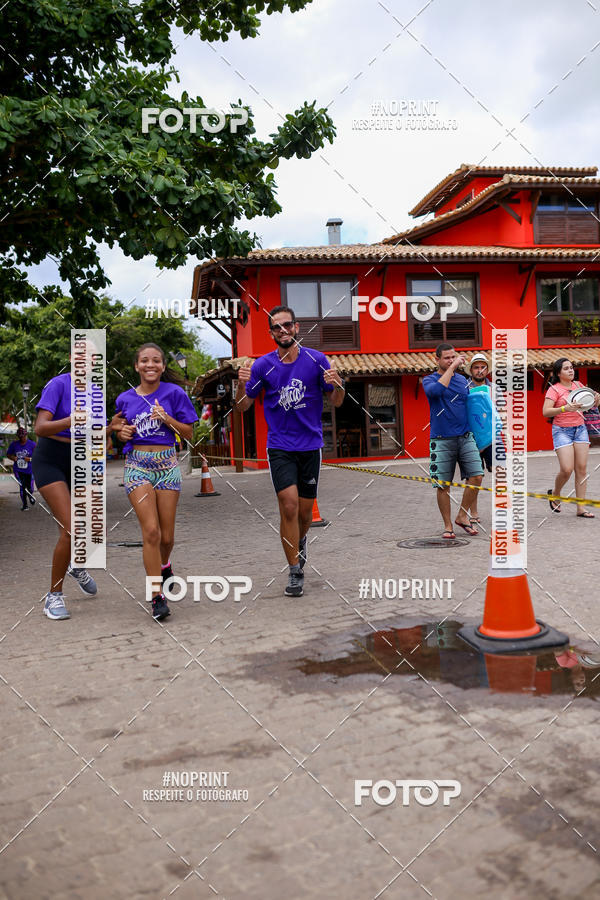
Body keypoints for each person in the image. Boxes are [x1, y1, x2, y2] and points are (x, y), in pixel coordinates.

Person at [235, 306, 345, 597]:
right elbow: (243, 406)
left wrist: (338, 385)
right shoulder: (262, 366)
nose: (282, 331)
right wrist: (241, 385)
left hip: (310, 446)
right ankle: (295, 570)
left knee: (305, 514)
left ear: (296, 327)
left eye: (287, 325)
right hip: (280, 446)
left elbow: (337, 401)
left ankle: (301, 539)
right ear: (271, 333)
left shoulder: (316, 360)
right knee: (289, 506)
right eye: (276, 327)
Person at [112, 343, 198, 621]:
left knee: (167, 537)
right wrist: (121, 434)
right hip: (137, 466)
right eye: (145, 360)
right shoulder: (125, 399)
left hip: (167, 466)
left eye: (156, 360)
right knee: (151, 532)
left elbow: (189, 433)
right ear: (136, 366)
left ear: (162, 366)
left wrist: (167, 418)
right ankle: (156, 595)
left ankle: (165, 564)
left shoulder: (174, 394)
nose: (150, 365)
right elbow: (118, 429)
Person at [32, 364, 109, 620]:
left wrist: (112, 429)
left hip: (80, 460)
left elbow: (98, 432)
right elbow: (40, 428)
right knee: (71, 529)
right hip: (50, 459)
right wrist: (70, 420)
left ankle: (76, 565)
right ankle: (53, 596)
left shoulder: (96, 392)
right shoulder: (58, 384)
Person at [422, 343, 484, 539]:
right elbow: (436, 392)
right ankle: (448, 526)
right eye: (447, 358)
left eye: (453, 357)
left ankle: (462, 516)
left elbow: (470, 406)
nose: (451, 360)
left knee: (477, 476)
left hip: (465, 436)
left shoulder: (463, 380)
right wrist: (452, 368)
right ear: (437, 359)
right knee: (443, 485)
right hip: (441, 439)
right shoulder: (429, 380)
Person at [543, 357, 600, 518]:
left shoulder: (579, 386)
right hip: (561, 431)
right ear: (558, 373)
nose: (571, 370)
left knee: (581, 469)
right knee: (567, 469)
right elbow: (546, 412)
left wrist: (596, 399)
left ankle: (581, 508)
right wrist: (564, 408)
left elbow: (591, 405)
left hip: (580, 429)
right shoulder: (554, 389)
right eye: (566, 368)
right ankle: (555, 493)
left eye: (571, 367)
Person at [465, 353, 495, 524]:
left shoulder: (494, 389)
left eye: (483, 367)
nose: (479, 370)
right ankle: (473, 512)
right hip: (470, 438)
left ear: (487, 370)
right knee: (474, 476)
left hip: (492, 437)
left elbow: (499, 413)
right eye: (476, 367)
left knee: (500, 472)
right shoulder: (463, 388)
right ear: (471, 370)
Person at [7, 427, 37, 510]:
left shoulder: (32, 444)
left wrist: (30, 459)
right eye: (20, 437)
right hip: (18, 469)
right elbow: (8, 454)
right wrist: (13, 458)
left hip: (30, 469)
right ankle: (25, 505)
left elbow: (39, 456)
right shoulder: (14, 444)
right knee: (22, 486)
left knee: (30, 487)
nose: (21, 438)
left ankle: (30, 495)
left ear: (26, 435)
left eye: (23, 436)